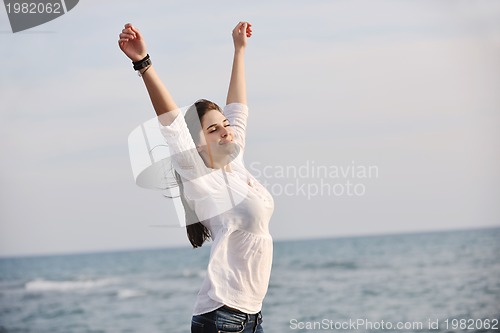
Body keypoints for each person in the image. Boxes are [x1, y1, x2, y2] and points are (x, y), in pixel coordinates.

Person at [118, 21, 274, 333]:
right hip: (222, 318)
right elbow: (173, 126)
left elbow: (238, 108)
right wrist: (143, 63)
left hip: (251, 317)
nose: (226, 130)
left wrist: (239, 49)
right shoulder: (200, 178)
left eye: (225, 125)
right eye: (213, 129)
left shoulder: (236, 160)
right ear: (198, 144)